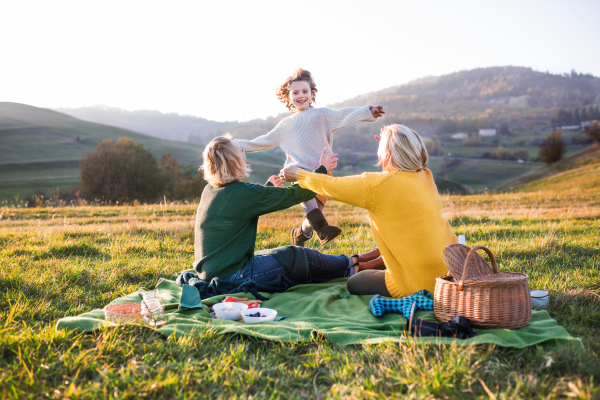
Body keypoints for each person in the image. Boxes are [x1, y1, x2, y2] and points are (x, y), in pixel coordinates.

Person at [280, 124, 457, 298]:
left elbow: (331, 186)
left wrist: (298, 174)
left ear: (387, 154)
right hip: (452, 275)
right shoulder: (426, 176)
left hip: (419, 286)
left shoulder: (376, 186)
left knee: (355, 282)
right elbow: (397, 175)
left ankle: (375, 266)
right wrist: (389, 147)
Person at [234, 68, 385, 247]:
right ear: (288, 96)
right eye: (295, 92)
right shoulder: (285, 125)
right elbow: (264, 141)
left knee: (314, 215)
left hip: (322, 174)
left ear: (312, 94)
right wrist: (236, 145)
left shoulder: (321, 115)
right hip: (298, 174)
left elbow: (343, 115)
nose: (301, 96)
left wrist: (368, 112)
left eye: (305, 91)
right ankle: (323, 230)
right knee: (315, 214)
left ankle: (300, 234)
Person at [193, 134, 358, 286]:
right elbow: (297, 194)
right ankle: (354, 264)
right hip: (233, 276)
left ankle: (351, 267)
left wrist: (268, 189)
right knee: (298, 256)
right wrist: (323, 168)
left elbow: (243, 208)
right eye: (241, 151)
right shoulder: (242, 192)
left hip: (210, 273)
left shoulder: (210, 190)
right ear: (234, 161)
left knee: (283, 253)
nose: (245, 154)